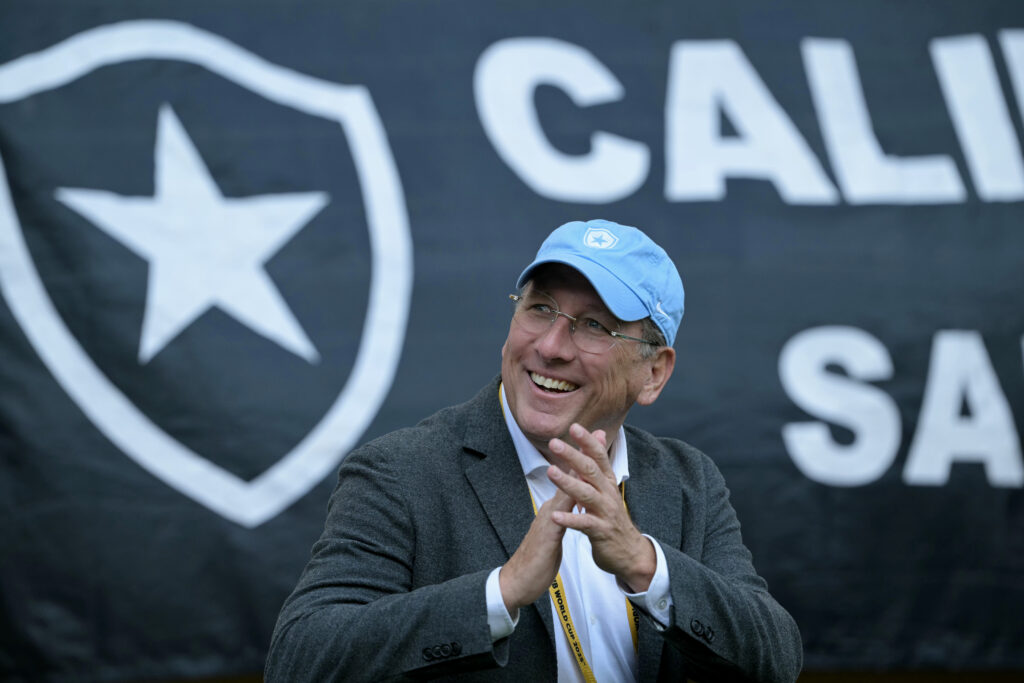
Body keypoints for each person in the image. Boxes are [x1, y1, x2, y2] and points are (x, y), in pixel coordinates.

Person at [265, 219, 802, 682]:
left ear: (654, 373)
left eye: (595, 325)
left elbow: (776, 659)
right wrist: (499, 593)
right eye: (540, 308)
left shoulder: (687, 481)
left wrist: (645, 565)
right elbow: (300, 658)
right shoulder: (401, 471)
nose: (550, 346)